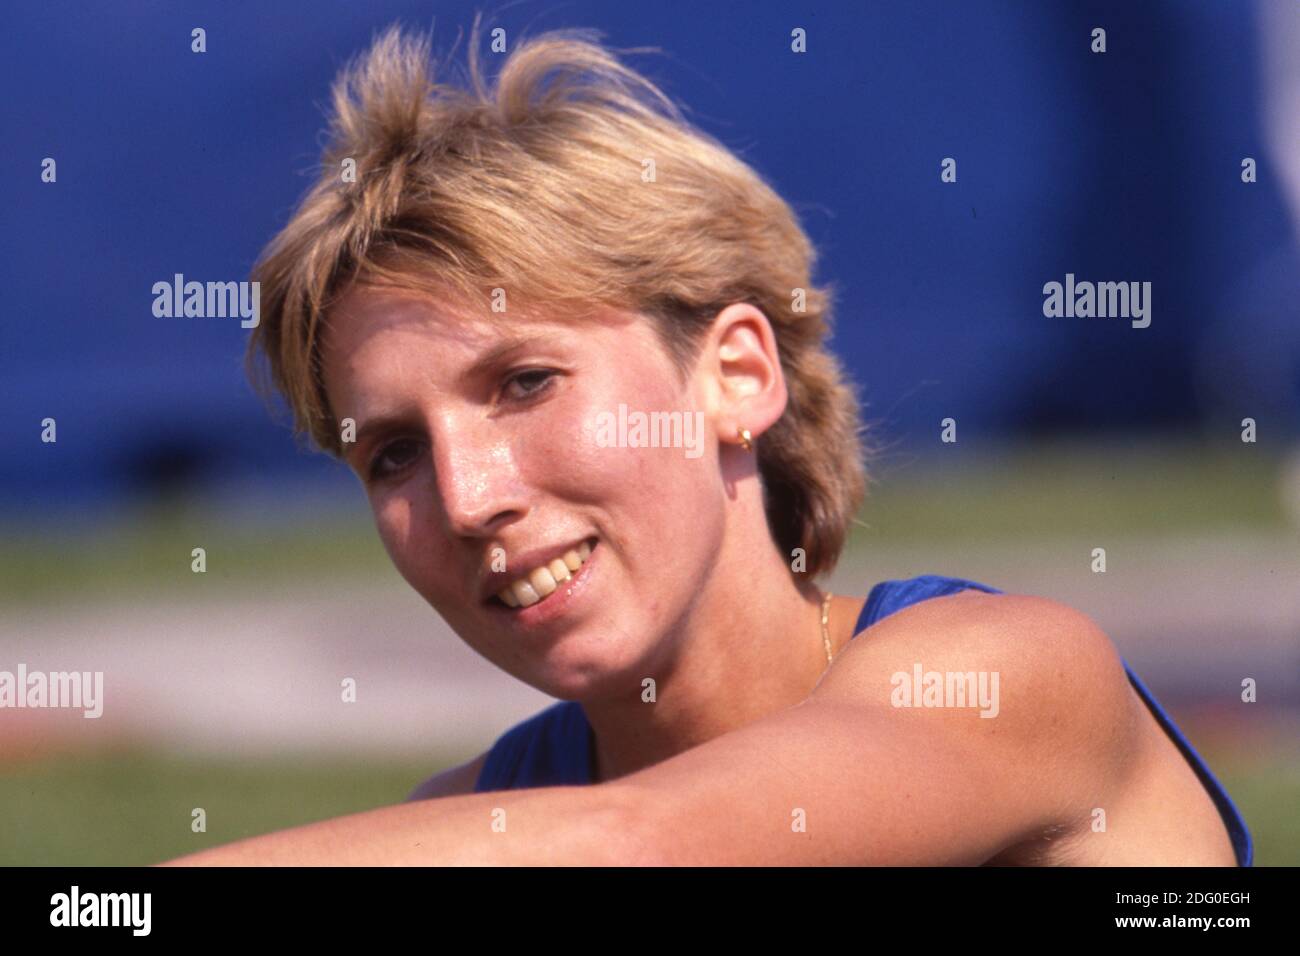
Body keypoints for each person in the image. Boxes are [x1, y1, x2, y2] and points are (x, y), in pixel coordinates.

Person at [162, 19, 1250, 865]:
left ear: (736, 373)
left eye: (525, 381)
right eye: (391, 451)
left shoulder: (1006, 672)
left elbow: (646, 844)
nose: (466, 494)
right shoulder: (475, 823)